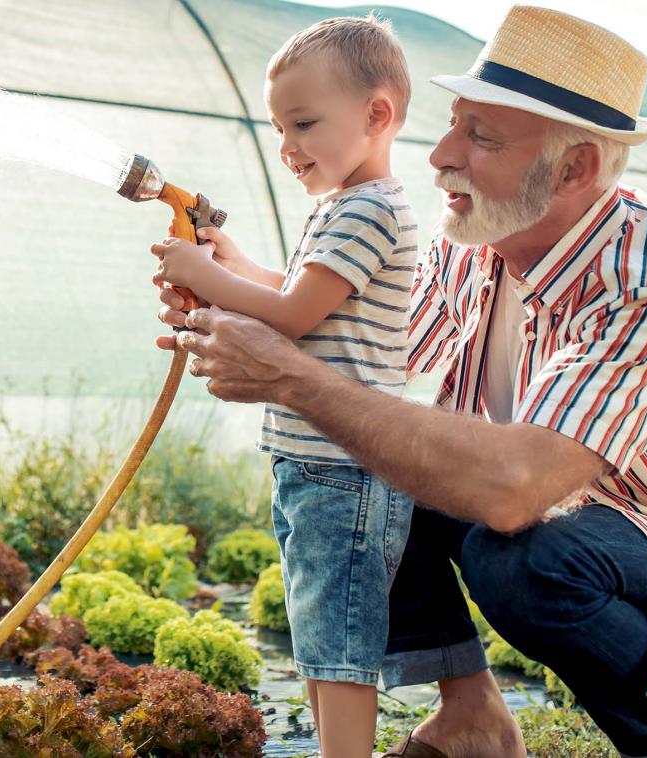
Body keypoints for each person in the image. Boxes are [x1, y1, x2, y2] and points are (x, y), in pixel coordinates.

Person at [154, 6, 647, 758]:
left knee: (527, 560)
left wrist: (290, 378)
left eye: (480, 136)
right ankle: (470, 719)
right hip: (555, 506)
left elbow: (514, 487)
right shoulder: (477, 233)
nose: (440, 155)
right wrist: (237, 281)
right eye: (456, 122)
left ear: (574, 168)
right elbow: (372, 346)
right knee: (369, 462)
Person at [149, 14, 419, 758]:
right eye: (278, 127)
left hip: (341, 467)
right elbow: (298, 293)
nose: (286, 146)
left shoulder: (369, 207)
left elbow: (295, 316)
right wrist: (233, 268)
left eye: (303, 122)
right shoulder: (341, 207)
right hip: (314, 463)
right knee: (316, 629)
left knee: (335, 642)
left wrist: (206, 277)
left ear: (375, 115)